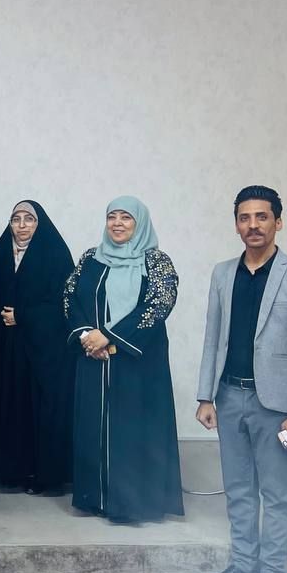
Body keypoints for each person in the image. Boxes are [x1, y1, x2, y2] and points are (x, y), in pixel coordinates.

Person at [195, 186, 287, 573]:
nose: (253, 225)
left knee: (276, 495)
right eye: (245, 218)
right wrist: (205, 396)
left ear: (278, 222)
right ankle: (243, 567)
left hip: (278, 407)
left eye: (262, 217)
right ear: (236, 225)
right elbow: (213, 339)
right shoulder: (222, 274)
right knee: (238, 490)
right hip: (229, 397)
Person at [64, 196, 182, 523]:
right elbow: (70, 297)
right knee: (94, 429)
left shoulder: (156, 261)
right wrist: (87, 336)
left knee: (132, 431)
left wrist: (110, 336)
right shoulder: (91, 258)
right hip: (94, 360)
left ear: (139, 223)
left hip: (137, 365)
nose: (117, 223)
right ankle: (94, 498)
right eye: (112, 216)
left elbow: (158, 305)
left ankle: (133, 504)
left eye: (126, 217)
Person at [0, 200, 75, 495]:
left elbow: (63, 304)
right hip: (7, 348)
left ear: (40, 224)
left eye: (29, 219)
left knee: (41, 408)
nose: (22, 225)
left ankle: (45, 476)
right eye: (16, 219)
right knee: (10, 404)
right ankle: (11, 471)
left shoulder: (55, 254)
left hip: (44, 350)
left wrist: (21, 315)